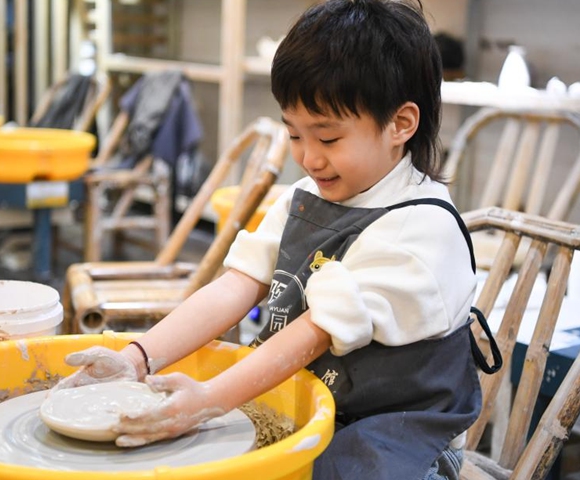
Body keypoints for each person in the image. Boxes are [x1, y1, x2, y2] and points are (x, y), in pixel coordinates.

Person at [54, 1, 499, 478]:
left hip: (395, 438)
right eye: (295, 135)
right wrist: (137, 358)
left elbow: (314, 332)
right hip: (311, 403)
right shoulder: (306, 197)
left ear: (400, 124)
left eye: (327, 138)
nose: (309, 158)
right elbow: (235, 286)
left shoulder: (421, 231)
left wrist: (207, 401)